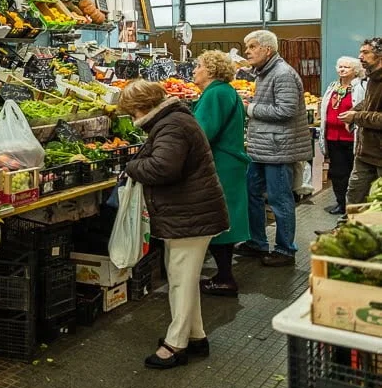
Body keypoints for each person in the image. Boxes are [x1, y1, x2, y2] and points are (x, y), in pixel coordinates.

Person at [120, 80, 229, 370]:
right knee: (185, 278)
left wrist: (130, 166)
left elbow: (163, 167)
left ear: (141, 106)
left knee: (180, 281)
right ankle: (196, 337)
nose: (132, 118)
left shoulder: (172, 125)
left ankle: (176, 344)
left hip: (189, 215)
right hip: (190, 213)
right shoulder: (173, 120)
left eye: (131, 112)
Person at [234, 30, 312, 267]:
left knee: (280, 199)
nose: (247, 51)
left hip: (278, 148)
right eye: (247, 46)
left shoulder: (282, 74)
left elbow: (286, 111)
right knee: (252, 193)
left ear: (267, 50)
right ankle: (257, 242)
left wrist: (251, 108)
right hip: (262, 147)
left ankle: (285, 250)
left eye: (252, 46)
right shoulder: (264, 73)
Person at [192, 51, 250, 297]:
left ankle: (225, 278)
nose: (194, 70)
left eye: (198, 66)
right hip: (230, 162)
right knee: (227, 220)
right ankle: (223, 275)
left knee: (220, 221)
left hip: (220, 164)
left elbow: (202, 133)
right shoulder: (225, 91)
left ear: (211, 71)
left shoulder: (215, 93)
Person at [319, 57, 366, 215]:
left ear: (355, 70)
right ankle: (340, 203)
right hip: (333, 137)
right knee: (338, 173)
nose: (342, 69)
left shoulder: (360, 87)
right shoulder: (333, 86)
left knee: (354, 174)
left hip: (352, 138)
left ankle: (354, 205)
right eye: (340, 66)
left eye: (347, 67)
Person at [340, 38, 382, 205]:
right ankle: (344, 229)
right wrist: (355, 110)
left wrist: (356, 117)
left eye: (365, 52)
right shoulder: (372, 77)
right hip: (365, 153)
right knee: (354, 196)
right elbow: (370, 103)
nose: (360, 56)